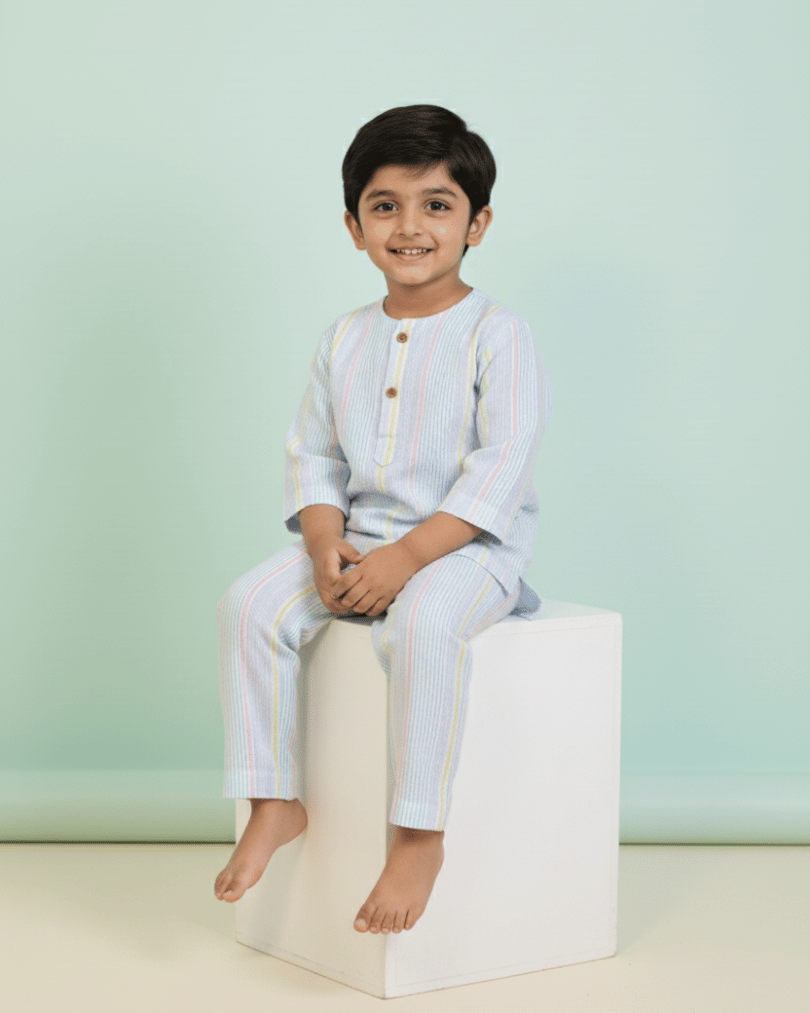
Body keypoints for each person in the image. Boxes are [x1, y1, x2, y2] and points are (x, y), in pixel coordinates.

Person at [214, 104, 553, 936]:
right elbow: (315, 456)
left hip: (468, 550)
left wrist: (406, 559)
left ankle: (416, 834)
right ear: (353, 224)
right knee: (249, 604)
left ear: (478, 222)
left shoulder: (499, 335)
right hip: (358, 535)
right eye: (385, 205)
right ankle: (272, 799)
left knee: (424, 628)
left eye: (437, 205)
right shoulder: (344, 339)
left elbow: (497, 469)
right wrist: (329, 546)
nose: (410, 225)